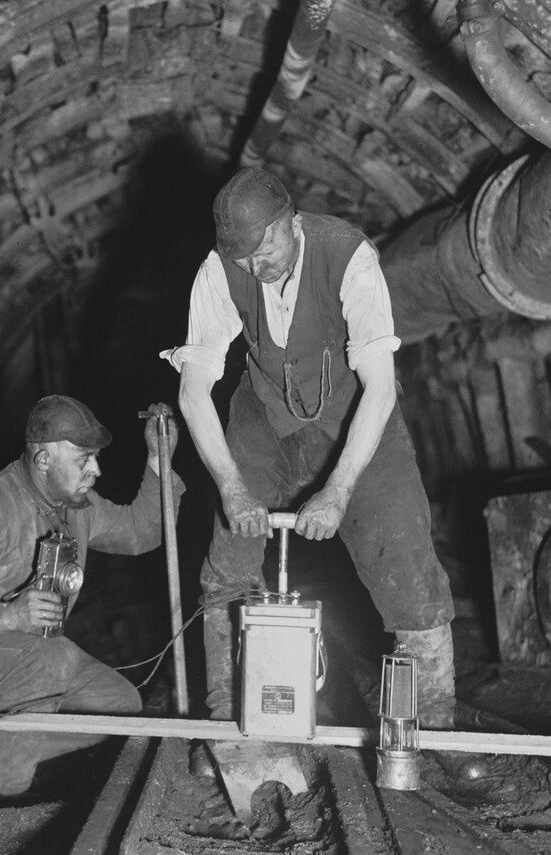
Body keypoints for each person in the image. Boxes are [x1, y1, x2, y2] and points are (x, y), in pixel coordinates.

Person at [161, 167, 455, 730]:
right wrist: (233, 489)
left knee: (407, 558)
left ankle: (434, 723)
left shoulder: (349, 257)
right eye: (242, 257)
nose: (256, 266)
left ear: (291, 221)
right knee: (228, 561)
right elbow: (193, 390)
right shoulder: (219, 272)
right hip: (264, 415)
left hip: (355, 412)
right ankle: (229, 719)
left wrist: (338, 491)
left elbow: (379, 384)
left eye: (265, 247)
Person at [0, 395, 184, 799]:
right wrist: (7, 617)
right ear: (43, 460)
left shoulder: (76, 506)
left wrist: (158, 459)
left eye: (95, 457)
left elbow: (140, 532)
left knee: (117, 706)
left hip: (23, 656)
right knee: (54, 658)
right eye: (84, 458)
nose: (96, 470)